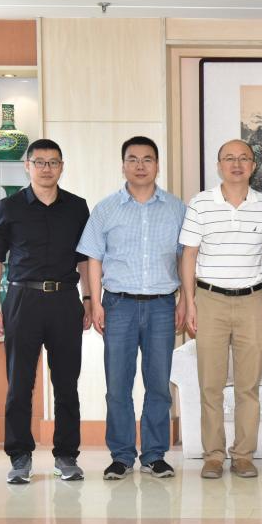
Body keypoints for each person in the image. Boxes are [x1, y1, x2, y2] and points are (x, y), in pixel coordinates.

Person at [77, 136, 187, 481]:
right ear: (123, 165)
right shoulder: (106, 208)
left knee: (158, 385)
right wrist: (95, 302)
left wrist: (187, 300)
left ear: (158, 165)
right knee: (118, 386)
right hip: (119, 305)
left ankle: (155, 455)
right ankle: (122, 456)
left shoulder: (176, 208)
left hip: (162, 306)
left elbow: (185, 259)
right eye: (133, 159)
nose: (140, 166)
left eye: (147, 159)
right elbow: (93, 258)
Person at [0, 138, 91, 484]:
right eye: (40, 162)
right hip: (22, 300)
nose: (47, 168)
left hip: (64, 300)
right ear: (27, 166)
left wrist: (90, 299)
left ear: (62, 167)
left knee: (66, 384)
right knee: (19, 384)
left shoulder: (77, 207)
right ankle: (20, 457)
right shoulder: (9, 207)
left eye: (53, 162)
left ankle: (66, 455)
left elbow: (85, 259)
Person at [179, 139, 262, 480]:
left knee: (248, 386)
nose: (237, 164)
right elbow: (188, 255)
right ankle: (214, 456)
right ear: (219, 165)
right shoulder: (201, 203)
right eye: (229, 159)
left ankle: (244, 455)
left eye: (244, 158)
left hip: (252, 301)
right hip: (210, 301)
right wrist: (189, 302)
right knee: (211, 385)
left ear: (253, 166)